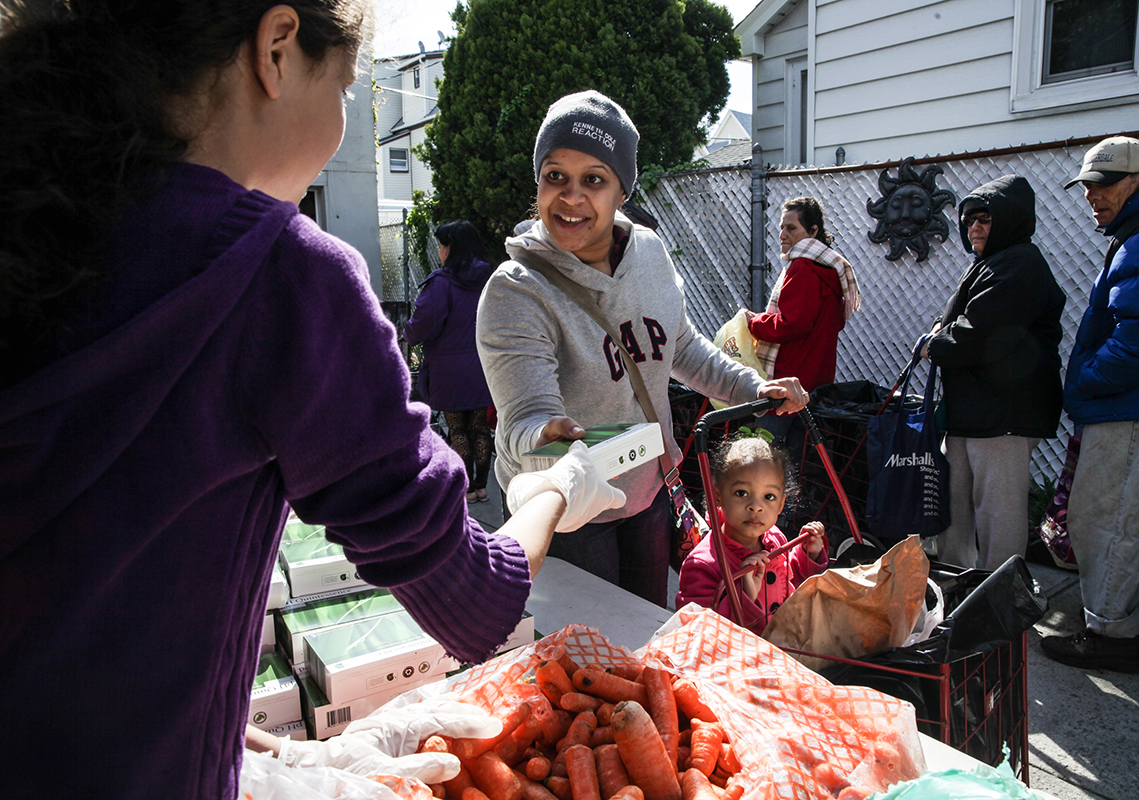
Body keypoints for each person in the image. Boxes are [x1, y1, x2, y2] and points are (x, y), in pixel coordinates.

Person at [0, 4, 622, 798]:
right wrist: (552, 492)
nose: (342, 117)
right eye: (348, 87)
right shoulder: (280, 274)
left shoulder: (41, 226)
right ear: (277, 47)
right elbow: (476, 601)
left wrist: (214, 719)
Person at [477, 90, 809, 607]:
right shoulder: (515, 291)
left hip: (648, 491)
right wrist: (547, 432)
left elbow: (681, 349)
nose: (570, 196)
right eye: (554, 175)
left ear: (622, 191)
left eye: (594, 179)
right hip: (567, 507)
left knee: (647, 633)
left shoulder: (650, 255)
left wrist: (752, 385)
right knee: (585, 655)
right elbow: (523, 417)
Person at [1041, 136, 1139, 673]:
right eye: (1087, 186)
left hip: (1136, 403)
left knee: (1105, 519)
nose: (1092, 196)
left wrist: (1086, 379)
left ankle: (1110, 632)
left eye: (1104, 184)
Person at [918, 175, 1066, 570]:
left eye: (985, 218)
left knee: (997, 514)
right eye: (968, 221)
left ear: (1009, 220)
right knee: (956, 506)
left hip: (1004, 416)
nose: (974, 228)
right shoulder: (990, 264)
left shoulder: (1020, 264)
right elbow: (958, 320)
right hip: (974, 412)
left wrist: (937, 343)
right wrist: (940, 334)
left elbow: (980, 333)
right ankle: (957, 585)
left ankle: (999, 600)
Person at [674, 436, 828, 634]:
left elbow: (789, 585)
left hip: (787, 643)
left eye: (768, 497)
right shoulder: (703, 564)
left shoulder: (775, 538)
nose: (756, 506)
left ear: (781, 504)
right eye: (741, 493)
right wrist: (746, 596)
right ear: (717, 496)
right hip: (742, 659)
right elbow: (696, 629)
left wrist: (808, 555)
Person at [744, 197, 862, 452]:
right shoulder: (830, 269)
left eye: (791, 228)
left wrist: (753, 321)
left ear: (813, 231)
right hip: (816, 380)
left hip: (789, 380)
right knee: (800, 459)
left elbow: (791, 324)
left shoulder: (804, 267)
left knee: (763, 453)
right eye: (781, 228)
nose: (782, 235)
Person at [403, 220, 495, 503]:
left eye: (442, 245)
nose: (440, 251)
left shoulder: (441, 283)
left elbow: (424, 322)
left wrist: (408, 335)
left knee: (458, 430)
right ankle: (482, 487)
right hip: (484, 366)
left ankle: (464, 488)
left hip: (449, 369)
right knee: (480, 427)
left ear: (451, 248)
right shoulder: (492, 277)